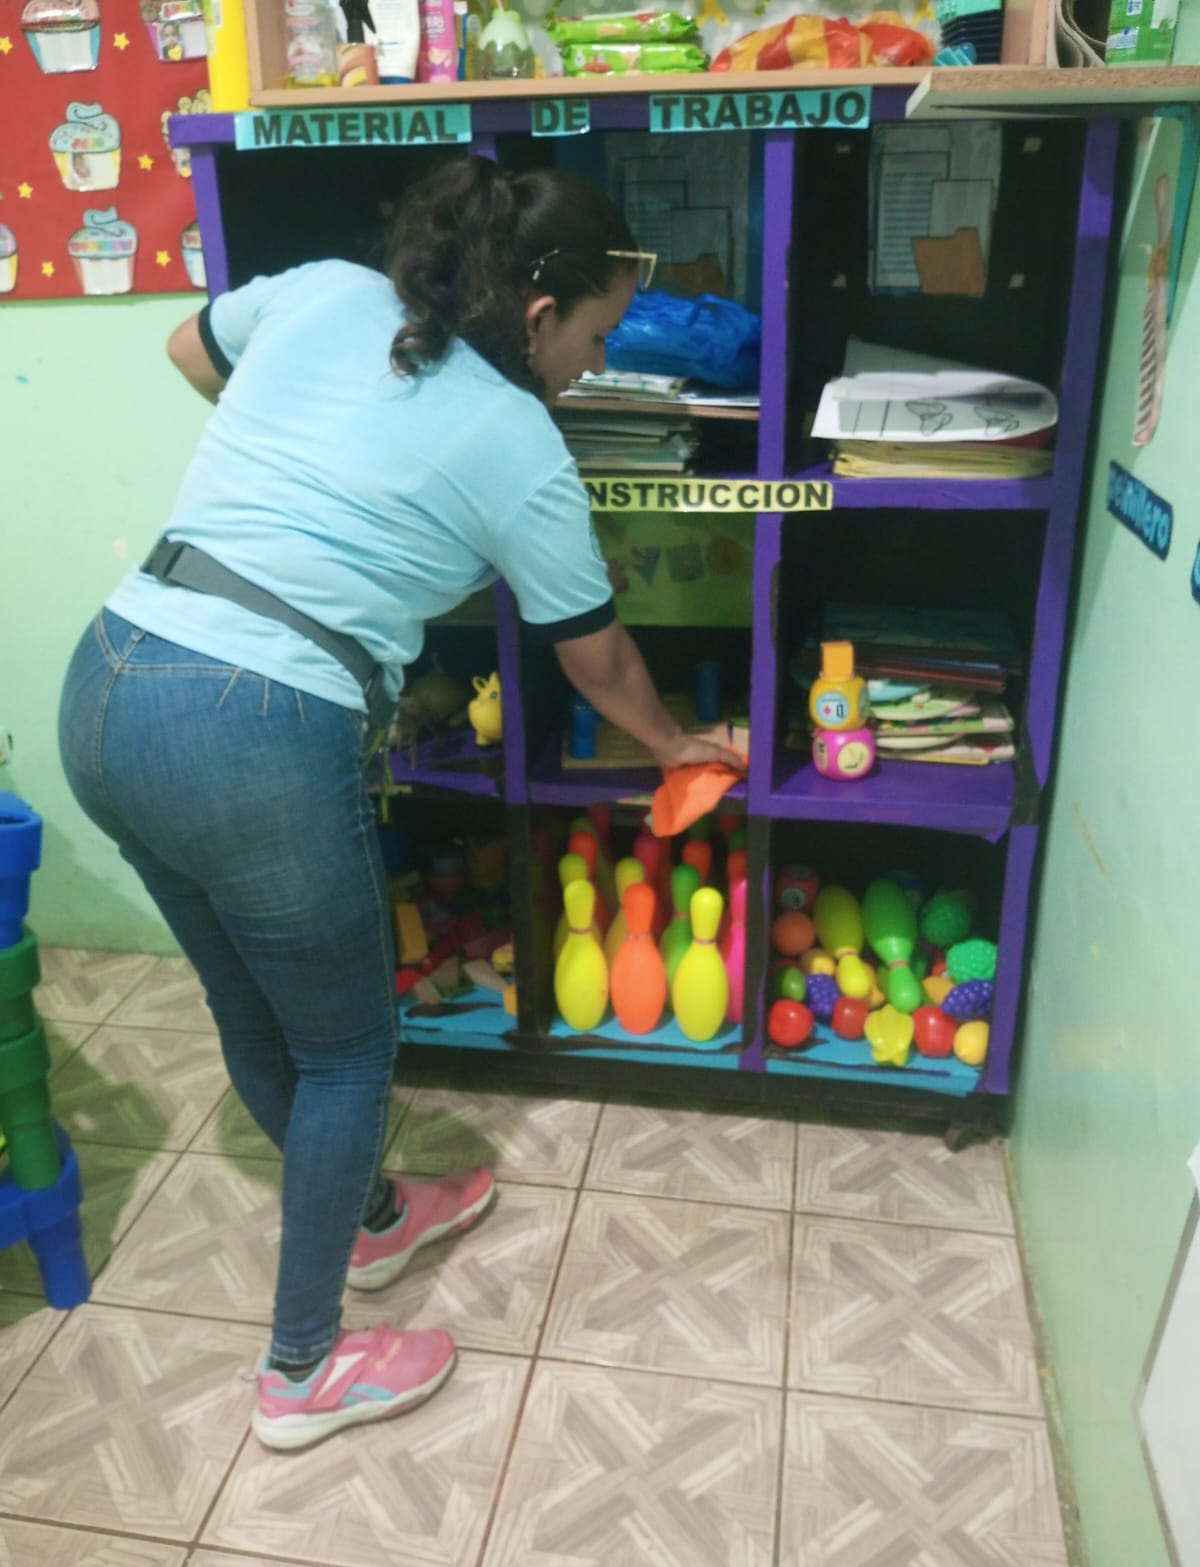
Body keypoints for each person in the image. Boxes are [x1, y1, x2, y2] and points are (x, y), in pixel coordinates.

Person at [57, 156, 745, 1453]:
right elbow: (595, 656)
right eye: (597, 336)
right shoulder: (519, 441)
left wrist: (314, 466)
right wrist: (675, 746)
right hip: (249, 724)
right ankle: (301, 1370)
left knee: (251, 1011)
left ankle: (374, 1220)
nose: (597, 365)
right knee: (346, 1053)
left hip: (109, 679)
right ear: (538, 313)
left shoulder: (327, 290)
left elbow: (189, 349)